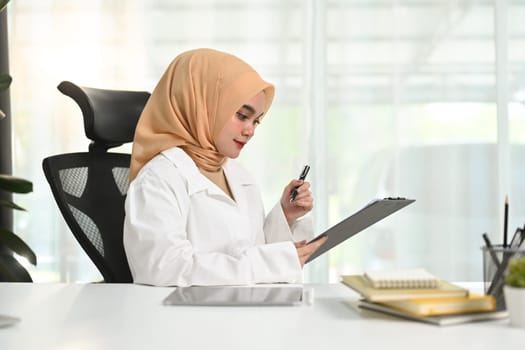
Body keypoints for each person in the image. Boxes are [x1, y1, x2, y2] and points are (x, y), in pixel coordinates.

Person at [123, 48, 327, 287]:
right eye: (242, 116)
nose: (250, 131)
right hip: (186, 320)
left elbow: (252, 253)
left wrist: (285, 215)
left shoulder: (238, 175)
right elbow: (164, 268)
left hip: (242, 311)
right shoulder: (159, 177)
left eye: (256, 121)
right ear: (201, 105)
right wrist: (267, 263)